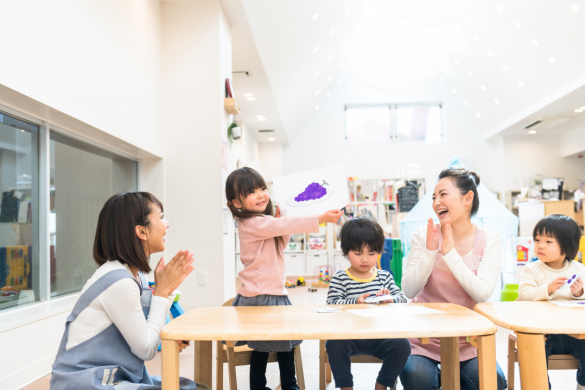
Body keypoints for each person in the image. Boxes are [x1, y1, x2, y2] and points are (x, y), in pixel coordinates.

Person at [50, 192, 198, 390]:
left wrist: (165, 292)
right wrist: (162, 293)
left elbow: (144, 335)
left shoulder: (134, 275)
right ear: (141, 232)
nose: (167, 224)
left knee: (187, 385)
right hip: (84, 383)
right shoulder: (119, 281)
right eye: (161, 217)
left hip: (109, 376)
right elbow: (146, 350)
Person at [225, 167, 343, 390]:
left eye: (262, 188)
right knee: (271, 345)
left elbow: (281, 239)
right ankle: (281, 385)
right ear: (237, 203)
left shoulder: (263, 222)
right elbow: (280, 226)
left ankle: (277, 385)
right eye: (252, 192)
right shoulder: (252, 224)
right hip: (262, 296)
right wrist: (320, 218)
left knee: (275, 344)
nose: (261, 194)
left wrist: (282, 222)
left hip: (271, 293)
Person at [399, 167, 507, 390]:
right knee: (418, 378)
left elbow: (482, 292)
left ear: (468, 198)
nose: (436, 202)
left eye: (443, 194)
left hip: (468, 342)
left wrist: (449, 253)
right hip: (424, 340)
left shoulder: (490, 240)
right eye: (434, 197)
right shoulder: (424, 234)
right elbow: (409, 290)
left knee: (493, 381)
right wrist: (431, 251)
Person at [325, 217, 410, 390]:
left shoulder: (384, 276)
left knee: (403, 345)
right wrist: (355, 301)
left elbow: (402, 299)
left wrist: (390, 299)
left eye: (371, 253)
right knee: (333, 344)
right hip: (348, 337)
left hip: (380, 336)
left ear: (379, 252)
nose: (365, 259)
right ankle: (346, 387)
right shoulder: (340, 278)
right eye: (358, 253)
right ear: (346, 251)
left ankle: (382, 384)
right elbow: (332, 304)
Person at [519, 214, 585, 390]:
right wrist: (547, 289)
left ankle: (582, 385)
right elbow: (524, 295)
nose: (540, 245)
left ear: (567, 245)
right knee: (534, 353)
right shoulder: (531, 269)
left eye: (549, 241)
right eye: (537, 239)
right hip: (542, 333)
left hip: (573, 332)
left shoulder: (578, 269)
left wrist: (580, 293)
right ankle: (540, 386)